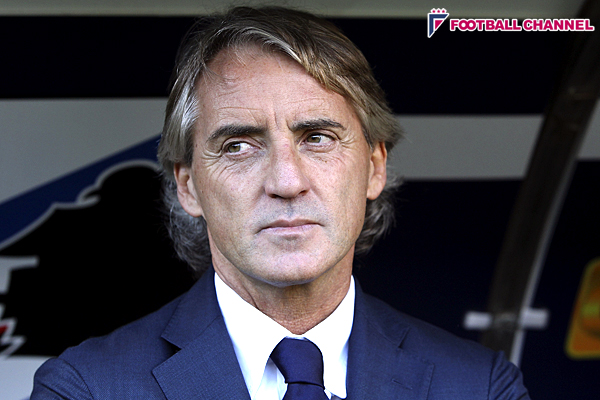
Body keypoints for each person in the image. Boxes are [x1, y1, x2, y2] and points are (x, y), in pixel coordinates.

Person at [31, 6, 530, 399]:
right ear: (188, 186)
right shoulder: (86, 389)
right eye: (238, 146)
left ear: (375, 167)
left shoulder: (480, 387)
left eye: (317, 137)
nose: (287, 182)